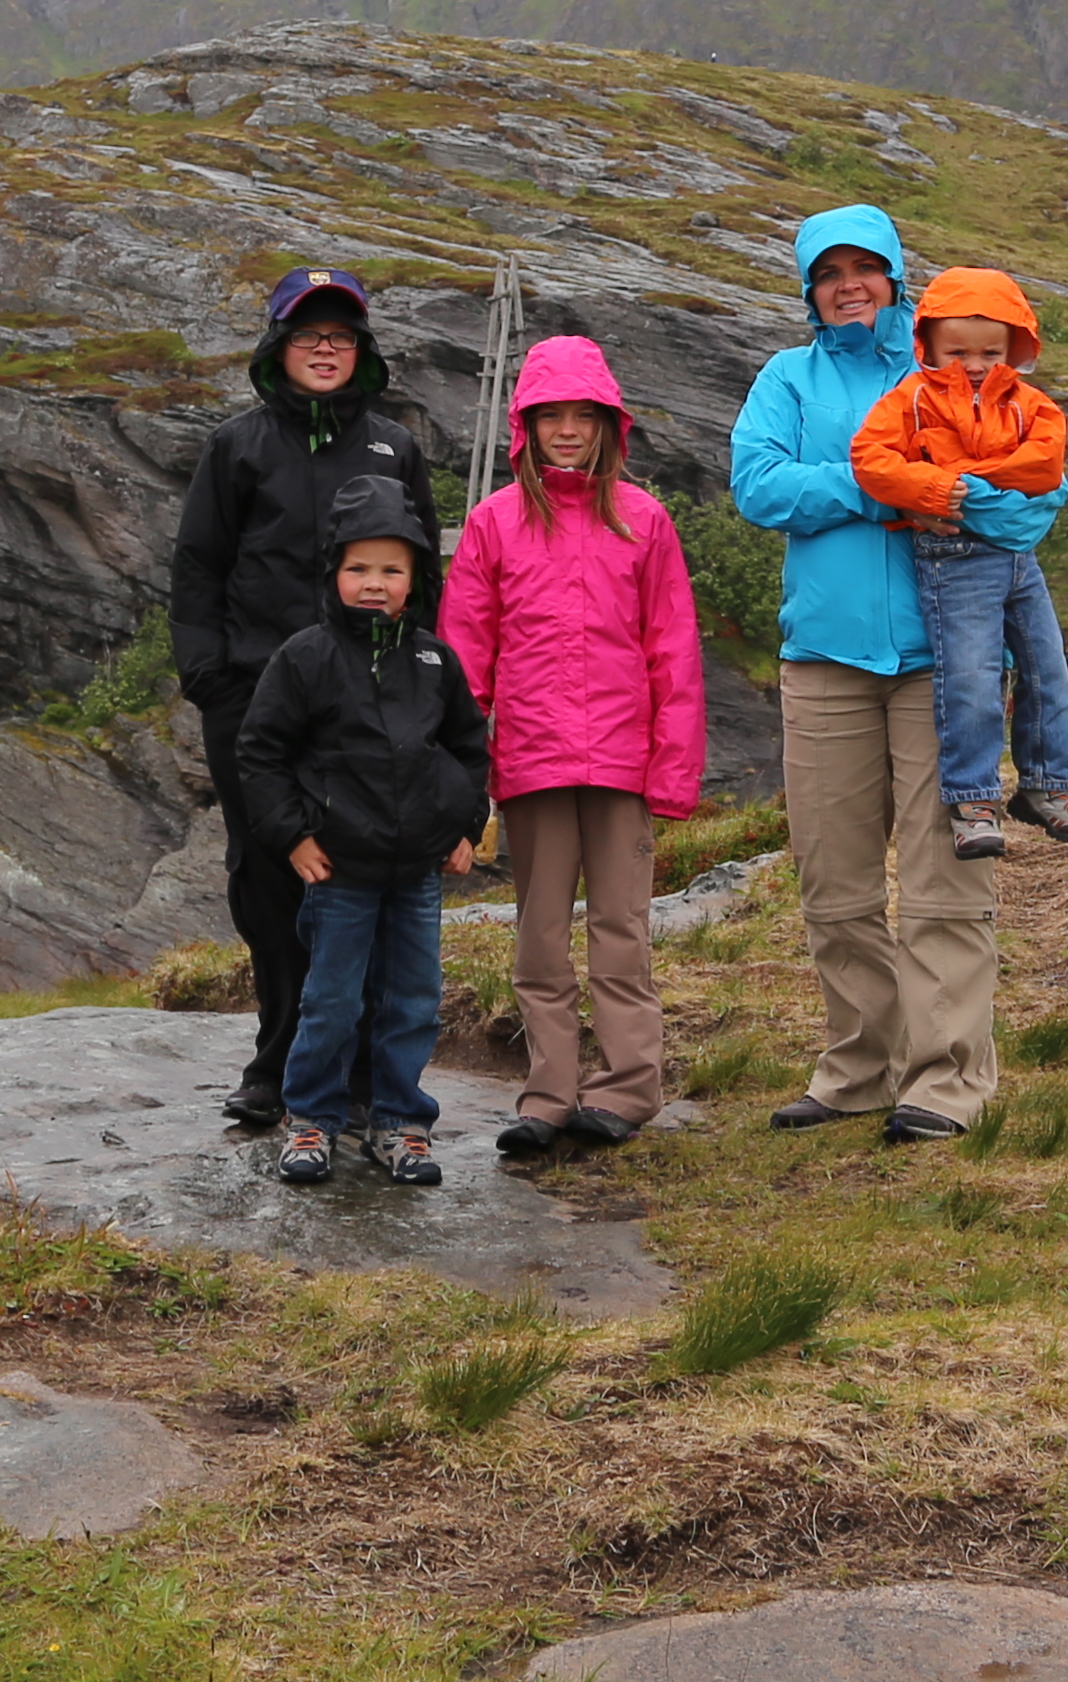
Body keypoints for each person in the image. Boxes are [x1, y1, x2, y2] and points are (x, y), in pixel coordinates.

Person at [723, 203, 997, 1141]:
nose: (849, 285)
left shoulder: (944, 369)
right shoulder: (785, 376)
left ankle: (947, 1082)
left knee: (942, 882)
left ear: (894, 278)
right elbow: (757, 486)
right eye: (829, 272)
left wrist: (858, 483)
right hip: (825, 663)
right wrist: (880, 485)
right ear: (809, 289)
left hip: (946, 661)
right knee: (833, 883)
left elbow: (1003, 479)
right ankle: (860, 1068)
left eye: (865, 268)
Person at [168, 268, 437, 1131]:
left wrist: (413, 680)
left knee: (360, 875)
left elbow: (421, 576)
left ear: (362, 351)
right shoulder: (236, 446)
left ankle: (358, 1070)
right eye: (308, 333)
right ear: (277, 346)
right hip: (252, 702)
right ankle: (278, 1059)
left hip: (366, 705)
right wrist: (208, 679)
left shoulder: (396, 447)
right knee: (269, 878)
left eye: (342, 335)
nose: (326, 348)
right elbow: (198, 567)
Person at [438, 331, 708, 1163]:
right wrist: (460, 778)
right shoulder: (493, 524)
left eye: (580, 416)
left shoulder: (646, 520)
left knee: (622, 930)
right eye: (548, 415)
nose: (565, 430)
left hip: (623, 763)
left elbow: (673, 649)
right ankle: (547, 1095)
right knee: (540, 935)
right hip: (531, 763)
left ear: (607, 425)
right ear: (524, 424)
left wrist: (673, 769)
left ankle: (628, 1089)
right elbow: (464, 657)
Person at [232, 476, 492, 1188]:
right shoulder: (305, 657)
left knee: (411, 998)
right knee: (333, 1000)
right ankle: (311, 1119)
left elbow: (470, 749)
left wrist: (467, 823)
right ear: (332, 573)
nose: (374, 584)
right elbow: (260, 753)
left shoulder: (436, 661)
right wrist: (292, 836)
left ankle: (401, 1122)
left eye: (391, 569)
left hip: (417, 875)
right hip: (339, 870)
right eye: (357, 568)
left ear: (415, 580)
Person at [848, 266, 1068, 862]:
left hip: (1016, 558)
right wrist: (934, 493)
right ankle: (973, 798)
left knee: (1048, 671)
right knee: (971, 679)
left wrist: (960, 481)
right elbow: (869, 459)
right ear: (927, 345)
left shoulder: (1031, 404)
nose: (975, 363)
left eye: (990, 350)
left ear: (1015, 346)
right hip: (952, 559)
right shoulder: (908, 400)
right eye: (957, 351)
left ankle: (1045, 788)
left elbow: (1046, 464)